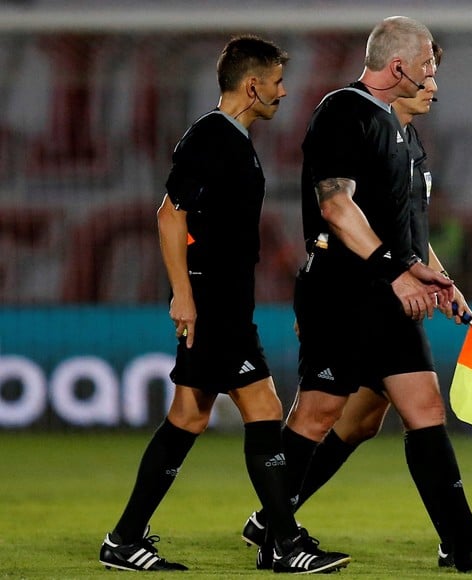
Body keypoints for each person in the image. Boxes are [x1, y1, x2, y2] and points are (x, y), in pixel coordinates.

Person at [251, 16, 472, 573]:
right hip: (342, 291)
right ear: (399, 65)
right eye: (428, 64)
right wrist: (398, 273)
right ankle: (275, 534)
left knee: (422, 407)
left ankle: (462, 541)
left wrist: (438, 278)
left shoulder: (404, 132)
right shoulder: (343, 111)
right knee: (319, 414)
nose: (435, 75)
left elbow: (406, 230)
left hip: (390, 295)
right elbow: (336, 208)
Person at [98, 35, 350, 574]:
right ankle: (283, 543)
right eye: (278, 82)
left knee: (189, 416)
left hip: (225, 300)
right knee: (261, 410)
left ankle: (124, 538)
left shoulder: (231, 138)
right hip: (212, 301)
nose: (283, 92)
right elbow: (170, 215)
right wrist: (185, 298)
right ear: (252, 84)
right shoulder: (211, 138)